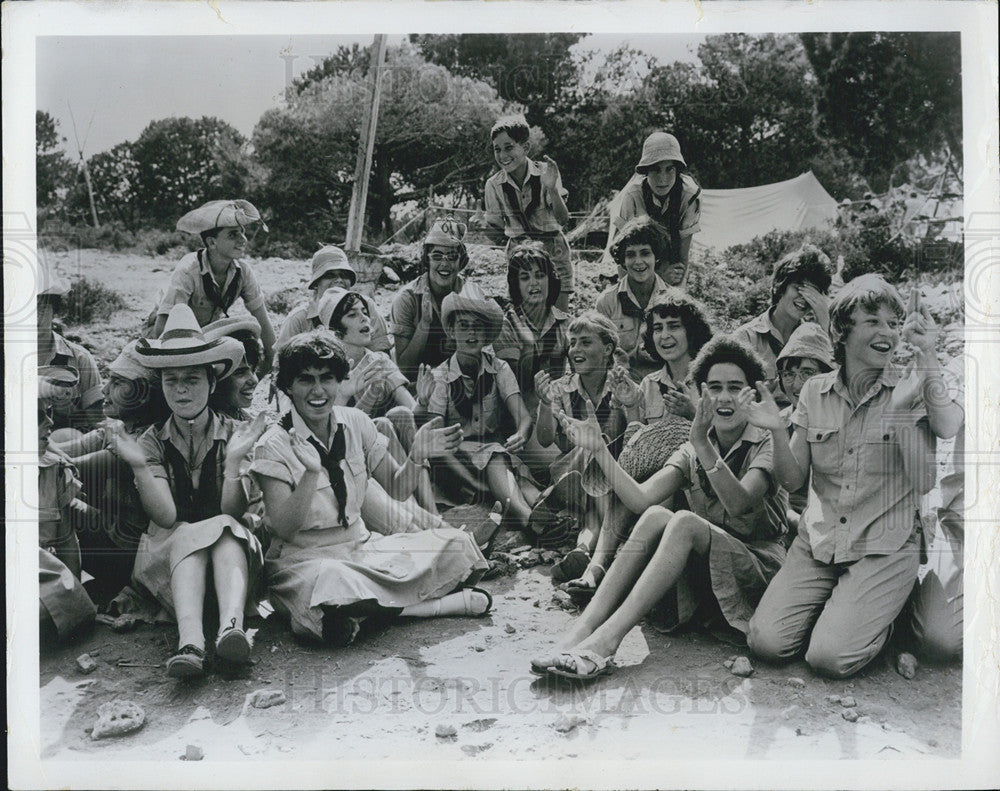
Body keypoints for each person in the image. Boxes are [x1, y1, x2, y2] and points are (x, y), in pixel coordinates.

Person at [530, 337, 787, 681]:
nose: (723, 398)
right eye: (713, 388)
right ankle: (578, 634)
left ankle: (604, 644)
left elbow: (739, 504)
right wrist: (600, 452)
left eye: (734, 388)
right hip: (710, 578)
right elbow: (639, 499)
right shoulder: (693, 447)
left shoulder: (763, 441)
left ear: (752, 395)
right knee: (655, 515)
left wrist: (701, 443)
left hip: (757, 574)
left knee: (682, 522)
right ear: (700, 394)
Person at [746, 275, 945, 678]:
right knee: (766, 642)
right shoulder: (814, 391)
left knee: (830, 659)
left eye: (893, 322)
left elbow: (925, 482)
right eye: (873, 321)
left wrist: (902, 416)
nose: (887, 332)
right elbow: (793, 480)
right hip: (821, 542)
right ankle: (849, 612)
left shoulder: (911, 387)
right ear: (841, 330)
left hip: (885, 546)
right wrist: (776, 432)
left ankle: (889, 618)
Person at [249, 330, 491, 645]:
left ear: (339, 381)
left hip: (363, 549)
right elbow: (285, 528)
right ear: (288, 386)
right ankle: (433, 606)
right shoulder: (273, 444)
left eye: (327, 378)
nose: (318, 390)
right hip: (306, 562)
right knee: (331, 585)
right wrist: (310, 473)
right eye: (306, 380)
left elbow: (398, 489)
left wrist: (416, 455)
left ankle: (367, 613)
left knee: (458, 546)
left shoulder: (357, 423)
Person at [113, 305, 267, 678]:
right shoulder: (150, 441)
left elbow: (232, 511)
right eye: (171, 380)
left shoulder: (235, 434)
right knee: (185, 533)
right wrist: (137, 465)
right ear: (161, 384)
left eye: (192, 379)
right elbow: (165, 516)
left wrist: (232, 467)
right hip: (171, 564)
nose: (181, 390)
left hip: (231, 564)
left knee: (227, 531)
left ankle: (231, 628)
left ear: (212, 383)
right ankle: (191, 642)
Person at [562, 290, 714, 597]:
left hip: (696, 485)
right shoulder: (649, 383)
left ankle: (615, 578)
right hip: (651, 483)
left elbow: (725, 441)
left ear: (691, 332)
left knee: (650, 492)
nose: (665, 336)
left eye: (674, 326)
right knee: (623, 479)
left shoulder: (709, 380)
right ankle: (596, 568)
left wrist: (694, 413)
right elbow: (638, 445)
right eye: (658, 328)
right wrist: (631, 409)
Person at [57, 342, 172, 604]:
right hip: (115, 539)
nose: (104, 389)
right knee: (61, 438)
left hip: (131, 557)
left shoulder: (140, 443)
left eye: (118, 383)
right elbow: (65, 449)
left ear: (144, 394)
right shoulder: (122, 427)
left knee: (55, 495)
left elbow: (59, 469)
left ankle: (71, 601)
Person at [421, 292, 540, 535]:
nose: (471, 334)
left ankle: (549, 514)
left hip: (493, 454)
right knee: (496, 458)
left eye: (478, 327)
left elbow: (524, 417)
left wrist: (522, 433)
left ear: (486, 335)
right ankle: (529, 520)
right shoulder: (440, 377)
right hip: (455, 460)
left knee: (519, 477)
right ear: (452, 332)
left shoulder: (499, 368)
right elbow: (436, 436)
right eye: (464, 326)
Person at [318, 287, 439, 516]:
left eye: (365, 312)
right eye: (352, 315)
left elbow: (412, 412)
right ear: (335, 330)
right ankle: (414, 514)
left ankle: (431, 511)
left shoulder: (378, 360)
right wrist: (369, 397)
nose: (365, 318)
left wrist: (422, 400)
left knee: (400, 414)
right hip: (348, 455)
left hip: (386, 453)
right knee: (381, 424)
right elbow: (333, 426)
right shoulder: (327, 368)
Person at [534, 312, 632, 567]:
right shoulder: (560, 387)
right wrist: (544, 403)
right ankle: (600, 553)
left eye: (586, 342)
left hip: (614, 474)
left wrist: (624, 405)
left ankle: (583, 548)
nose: (576, 349)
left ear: (608, 348)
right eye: (573, 342)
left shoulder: (622, 385)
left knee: (598, 465)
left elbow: (634, 433)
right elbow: (544, 440)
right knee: (592, 455)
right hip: (571, 468)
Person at [152, 199, 276, 375]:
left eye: (242, 233)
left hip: (208, 334)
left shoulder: (243, 272)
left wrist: (271, 360)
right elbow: (162, 328)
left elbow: (262, 319)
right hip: (174, 336)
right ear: (211, 242)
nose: (242, 240)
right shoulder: (188, 270)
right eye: (233, 235)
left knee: (248, 342)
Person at [483, 115, 573, 311]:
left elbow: (563, 219)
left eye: (509, 147)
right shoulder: (493, 184)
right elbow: (496, 231)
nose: (502, 155)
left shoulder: (546, 173)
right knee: (524, 319)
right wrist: (481, 228)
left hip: (553, 250)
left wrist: (552, 190)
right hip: (519, 254)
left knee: (558, 318)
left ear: (525, 148)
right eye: (497, 149)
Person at [908, 354, 964, 662]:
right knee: (936, 640)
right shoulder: (973, 362)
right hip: (968, 523)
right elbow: (945, 425)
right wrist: (927, 352)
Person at [391, 218, 486, 381]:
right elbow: (404, 370)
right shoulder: (407, 299)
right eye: (437, 256)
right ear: (427, 260)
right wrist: (424, 324)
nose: (445, 263)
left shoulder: (471, 294)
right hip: (419, 387)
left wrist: (460, 347)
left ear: (461, 261)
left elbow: (482, 359)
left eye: (452, 256)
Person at [731, 244, 833, 395]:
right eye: (799, 288)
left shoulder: (816, 338)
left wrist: (826, 322)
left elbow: (835, 385)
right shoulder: (745, 337)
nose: (804, 298)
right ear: (779, 287)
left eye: (813, 292)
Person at [39, 383, 96, 642]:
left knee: (70, 604)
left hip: (43, 574)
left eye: (49, 412)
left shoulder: (55, 469)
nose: (49, 422)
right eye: (38, 417)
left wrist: (77, 596)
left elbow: (65, 540)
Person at [607, 131, 701, 279]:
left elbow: (682, 259)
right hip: (638, 270)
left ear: (677, 170)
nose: (662, 179)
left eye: (669, 169)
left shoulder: (689, 196)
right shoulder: (632, 196)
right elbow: (623, 258)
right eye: (655, 169)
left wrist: (675, 292)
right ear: (646, 171)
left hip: (671, 266)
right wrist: (658, 278)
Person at [773, 322, 835, 523]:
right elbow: (778, 501)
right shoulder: (777, 425)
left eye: (808, 373)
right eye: (789, 374)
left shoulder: (845, 420)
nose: (798, 384)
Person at [596, 217, 672, 382]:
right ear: (623, 260)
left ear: (656, 257)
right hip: (620, 382)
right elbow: (600, 355)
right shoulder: (607, 302)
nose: (638, 262)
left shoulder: (672, 300)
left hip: (662, 385)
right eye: (630, 255)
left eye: (645, 253)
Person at [275, 246, 391, 353]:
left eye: (344, 275)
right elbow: (281, 364)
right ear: (316, 283)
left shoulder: (366, 307)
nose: (339, 280)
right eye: (330, 275)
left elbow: (382, 351)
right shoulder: (299, 319)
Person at [37, 273, 104, 437]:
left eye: (42, 308)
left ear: (54, 311)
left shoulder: (79, 358)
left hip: (64, 446)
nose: (35, 317)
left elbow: (97, 418)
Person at [204, 316, 263, 421]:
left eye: (253, 370)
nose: (254, 380)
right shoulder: (212, 426)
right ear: (214, 379)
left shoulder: (237, 415)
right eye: (240, 372)